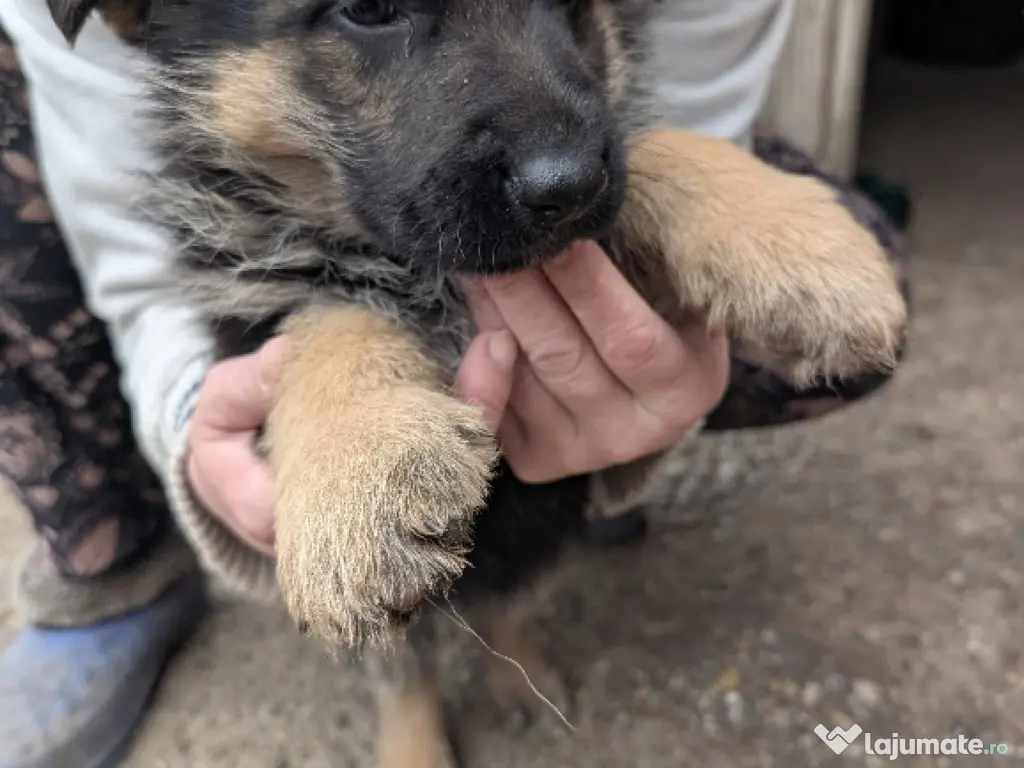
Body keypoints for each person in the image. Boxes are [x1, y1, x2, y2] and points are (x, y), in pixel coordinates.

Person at [0, 0, 909, 765]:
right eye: (373, 10)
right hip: (296, 284)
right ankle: (396, 695)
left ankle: (513, 621)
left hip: (557, 426)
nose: (558, 160)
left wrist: (689, 219)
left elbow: (677, 114)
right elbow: (142, 272)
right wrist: (203, 431)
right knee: (356, 486)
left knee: (755, 256)